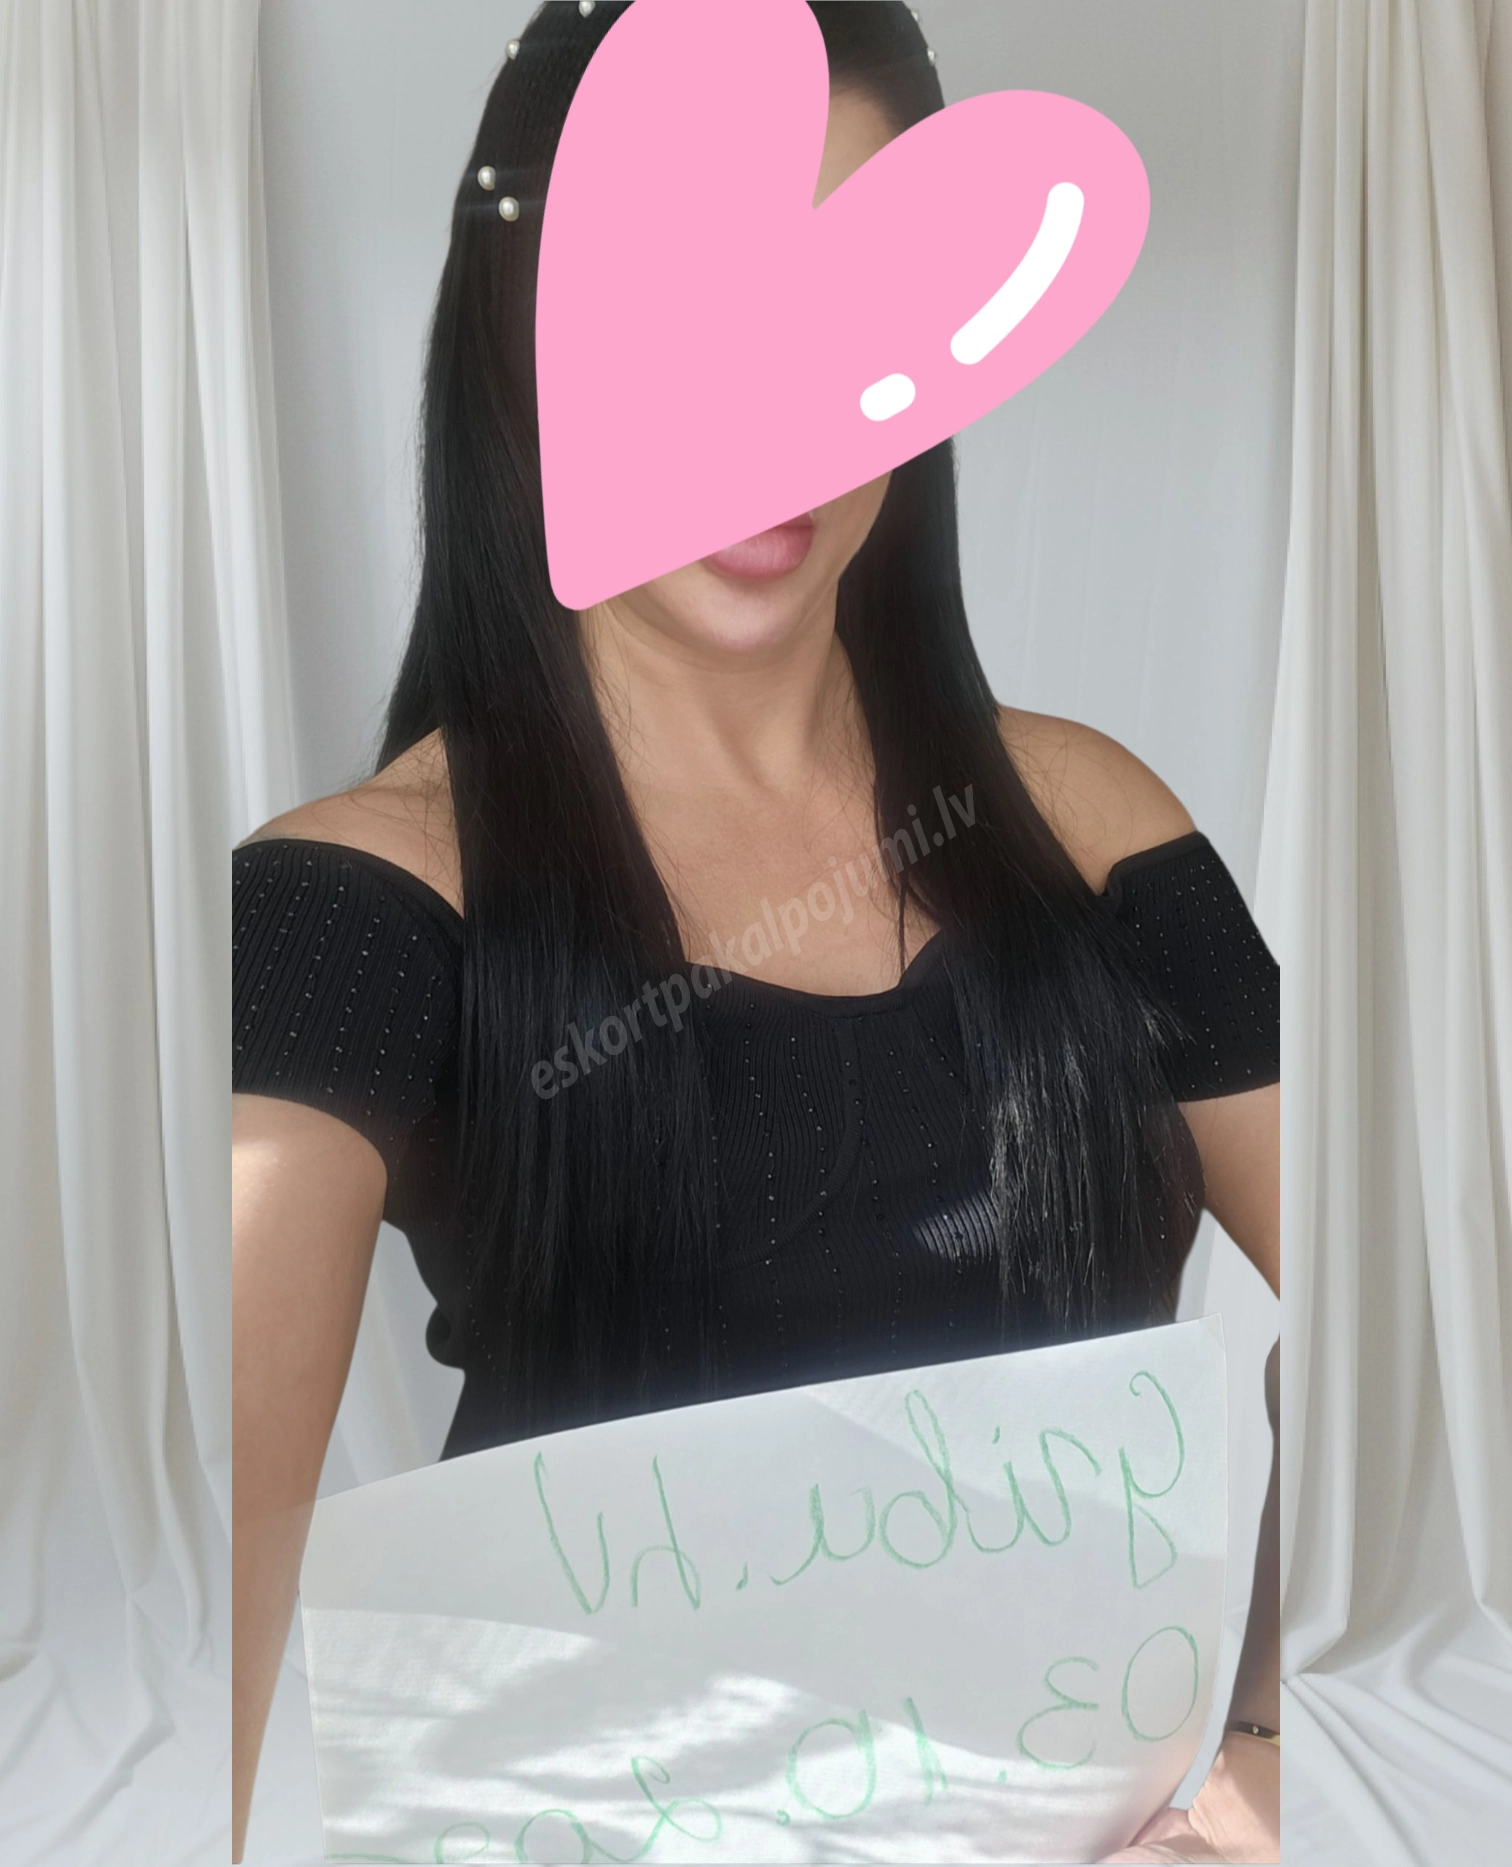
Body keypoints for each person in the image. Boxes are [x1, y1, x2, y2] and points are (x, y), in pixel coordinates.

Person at [231, 5, 1281, 1861]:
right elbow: (191, 1589)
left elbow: (1423, 1334)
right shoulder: (359, 909)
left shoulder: (1094, 824)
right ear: (521, 325)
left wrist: (1261, 1752)